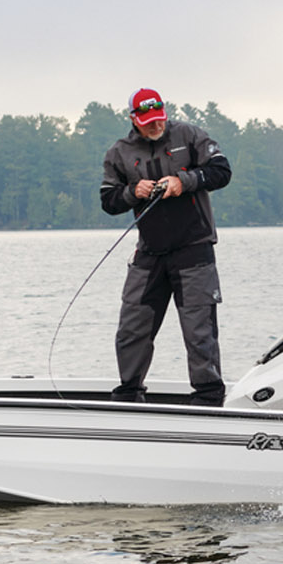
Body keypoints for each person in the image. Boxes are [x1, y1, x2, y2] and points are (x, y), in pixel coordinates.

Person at [99, 88, 232, 406]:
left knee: (199, 332)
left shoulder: (189, 135)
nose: (155, 125)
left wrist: (182, 182)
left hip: (194, 249)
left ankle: (208, 396)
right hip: (149, 253)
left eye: (159, 119)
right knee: (132, 327)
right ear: (134, 119)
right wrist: (134, 191)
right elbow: (108, 200)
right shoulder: (119, 152)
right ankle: (129, 393)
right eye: (148, 122)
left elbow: (222, 171)